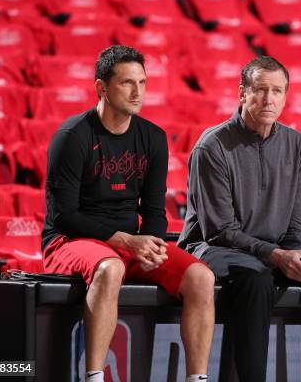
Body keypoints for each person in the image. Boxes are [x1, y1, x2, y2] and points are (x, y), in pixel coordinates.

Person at [178, 56, 301, 381]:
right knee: (256, 279)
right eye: (260, 89)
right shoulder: (211, 147)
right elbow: (219, 230)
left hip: (277, 252)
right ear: (242, 93)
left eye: (277, 91)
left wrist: (299, 257)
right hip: (214, 249)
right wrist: (276, 256)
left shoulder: (299, 147)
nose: (269, 99)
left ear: (285, 96)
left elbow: (296, 227)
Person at [42, 45, 214, 382]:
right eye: (126, 83)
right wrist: (124, 240)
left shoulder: (153, 138)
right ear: (101, 88)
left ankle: (197, 378)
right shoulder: (72, 136)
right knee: (110, 268)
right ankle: (94, 376)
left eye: (143, 83)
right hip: (69, 240)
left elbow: (153, 209)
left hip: (127, 243)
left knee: (202, 277)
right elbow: (63, 215)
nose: (138, 92)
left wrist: (152, 245)